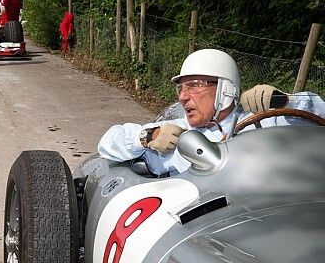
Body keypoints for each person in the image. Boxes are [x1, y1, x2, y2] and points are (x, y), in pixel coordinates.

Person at [98, 48, 325, 175]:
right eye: (180, 88)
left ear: (225, 90)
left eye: (194, 86)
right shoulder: (176, 132)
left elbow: (319, 114)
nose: (182, 96)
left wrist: (285, 101)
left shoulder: (265, 122)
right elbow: (108, 143)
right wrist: (147, 137)